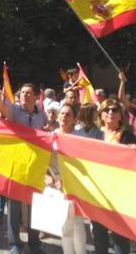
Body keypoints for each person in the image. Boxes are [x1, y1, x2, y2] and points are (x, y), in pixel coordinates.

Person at [0, 81, 46, 254]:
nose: (24, 96)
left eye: (29, 93)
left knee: (34, 206)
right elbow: (1, 106)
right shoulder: (14, 110)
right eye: (22, 93)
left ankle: (34, 242)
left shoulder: (41, 115)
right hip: (16, 163)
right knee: (13, 205)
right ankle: (15, 244)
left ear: (36, 97)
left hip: (35, 165)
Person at [92, 99, 136, 254]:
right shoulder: (94, 134)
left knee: (120, 235)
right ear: (101, 115)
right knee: (99, 234)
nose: (110, 112)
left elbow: (135, 163)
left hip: (119, 193)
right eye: (107, 110)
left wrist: (134, 152)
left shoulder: (127, 135)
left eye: (114, 110)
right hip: (97, 192)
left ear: (120, 115)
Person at [50, 104, 86, 254]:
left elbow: (84, 162)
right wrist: (53, 180)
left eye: (68, 114)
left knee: (77, 223)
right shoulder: (51, 136)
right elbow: (46, 162)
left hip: (76, 185)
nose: (64, 116)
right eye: (62, 114)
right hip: (57, 185)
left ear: (74, 119)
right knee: (64, 223)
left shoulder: (80, 138)